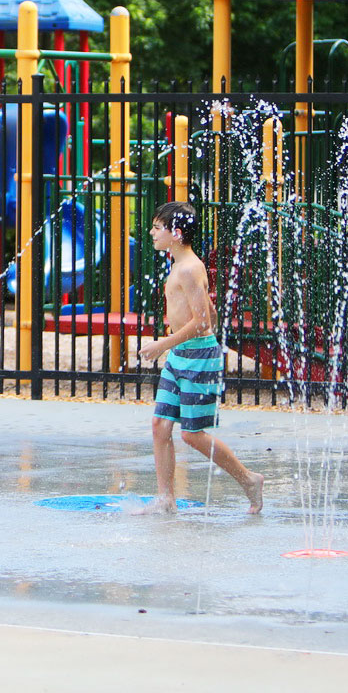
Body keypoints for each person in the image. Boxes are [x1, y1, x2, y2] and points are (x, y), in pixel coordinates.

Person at [135, 201, 263, 514]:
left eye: (157, 227)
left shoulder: (190, 268)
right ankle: (166, 498)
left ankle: (248, 480)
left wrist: (164, 343)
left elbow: (203, 323)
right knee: (159, 425)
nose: (152, 232)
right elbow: (210, 313)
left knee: (192, 435)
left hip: (198, 358)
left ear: (176, 233)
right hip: (181, 355)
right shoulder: (180, 265)